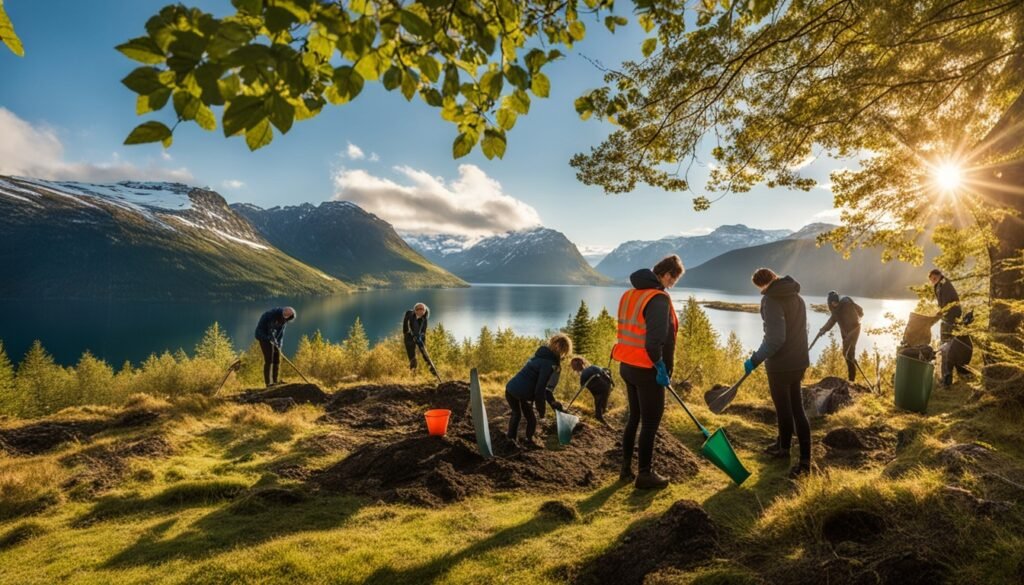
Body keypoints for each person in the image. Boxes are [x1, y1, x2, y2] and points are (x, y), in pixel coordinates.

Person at [611, 254, 683, 490]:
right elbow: (654, 343)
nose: (673, 284)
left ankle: (625, 469)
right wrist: (661, 366)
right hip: (647, 369)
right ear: (666, 274)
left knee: (634, 417)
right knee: (650, 422)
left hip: (627, 365)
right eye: (674, 279)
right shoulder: (658, 298)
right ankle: (645, 474)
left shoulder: (630, 295)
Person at [745, 268, 812, 479]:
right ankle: (799, 456)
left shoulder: (770, 300)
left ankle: (787, 452)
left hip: (780, 364)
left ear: (762, 284)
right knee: (797, 408)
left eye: (760, 288)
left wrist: (755, 359)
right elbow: (798, 331)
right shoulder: (797, 297)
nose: (761, 292)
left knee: (784, 409)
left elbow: (775, 339)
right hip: (799, 361)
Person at [505, 333, 572, 448]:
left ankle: (510, 440)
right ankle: (528, 441)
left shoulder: (539, 356)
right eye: (563, 351)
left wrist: (552, 403)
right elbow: (540, 389)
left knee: (516, 414)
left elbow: (544, 390)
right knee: (531, 419)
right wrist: (541, 410)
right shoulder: (550, 364)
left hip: (510, 389)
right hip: (523, 394)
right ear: (562, 349)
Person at [929, 269, 970, 386]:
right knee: (949, 346)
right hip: (948, 318)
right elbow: (943, 304)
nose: (933, 280)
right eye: (931, 279)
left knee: (947, 346)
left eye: (934, 278)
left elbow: (948, 303)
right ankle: (949, 376)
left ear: (939, 275)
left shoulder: (944, 284)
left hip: (951, 318)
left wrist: (941, 313)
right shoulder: (939, 285)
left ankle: (947, 377)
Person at [818, 291, 864, 382]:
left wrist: (858, 316)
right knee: (847, 355)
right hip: (846, 334)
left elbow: (859, 313)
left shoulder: (847, 304)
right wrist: (823, 330)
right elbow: (831, 321)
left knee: (848, 355)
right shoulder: (837, 310)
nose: (833, 304)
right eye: (832, 303)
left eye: (834, 302)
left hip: (853, 332)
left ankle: (851, 379)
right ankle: (851, 379)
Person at [254, 306, 296, 387]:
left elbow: (280, 334)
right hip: (263, 337)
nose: (287, 317)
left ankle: (275, 381)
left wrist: (279, 345)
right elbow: (267, 330)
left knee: (277, 360)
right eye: (287, 314)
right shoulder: (271, 315)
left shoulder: (285, 319)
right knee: (269, 360)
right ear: (285, 311)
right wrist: (269, 338)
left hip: (273, 340)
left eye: (289, 316)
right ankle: (268, 383)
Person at [569, 356, 614, 424]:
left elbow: (583, 384)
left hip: (601, 388)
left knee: (600, 403)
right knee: (601, 404)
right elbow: (605, 371)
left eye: (574, 366)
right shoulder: (592, 367)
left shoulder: (586, 372)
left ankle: (600, 417)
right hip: (605, 386)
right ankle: (600, 416)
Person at [403, 303, 429, 371]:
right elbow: (405, 324)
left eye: (422, 309)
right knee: (411, 355)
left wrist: (420, 338)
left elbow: (423, 331)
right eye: (418, 309)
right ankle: (413, 370)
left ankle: (433, 371)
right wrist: (406, 332)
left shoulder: (424, 319)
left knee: (425, 354)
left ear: (424, 310)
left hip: (420, 336)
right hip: (409, 336)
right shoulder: (410, 314)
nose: (420, 310)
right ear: (415, 310)